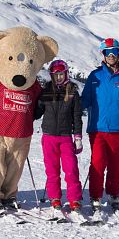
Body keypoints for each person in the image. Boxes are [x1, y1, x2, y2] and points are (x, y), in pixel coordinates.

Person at [81, 38, 119, 213]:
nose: (112, 55)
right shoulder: (95, 76)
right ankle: (95, 196)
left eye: (114, 52)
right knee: (98, 163)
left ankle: (113, 194)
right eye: (108, 52)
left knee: (115, 164)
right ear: (103, 55)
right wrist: (73, 105)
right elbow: (85, 100)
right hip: (97, 128)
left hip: (117, 129)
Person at [35, 60, 83, 213]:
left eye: (61, 74)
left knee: (71, 169)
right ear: (52, 76)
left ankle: (74, 199)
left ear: (66, 74)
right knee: (52, 169)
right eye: (56, 75)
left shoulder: (72, 92)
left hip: (65, 137)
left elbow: (76, 116)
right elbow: (37, 111)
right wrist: (26, 114)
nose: (59, 78)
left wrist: (78, 137)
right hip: (49, 136)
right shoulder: (46, 91)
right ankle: (55, 197)